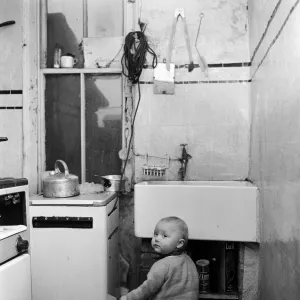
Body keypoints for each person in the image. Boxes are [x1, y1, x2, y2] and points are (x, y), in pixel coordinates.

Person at [120, 216, 199, 300]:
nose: (157, 238)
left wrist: (128, 298)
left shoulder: (162, 265)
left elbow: (147, 289)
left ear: (179, 244)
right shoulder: (189, 261)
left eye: (164, 236)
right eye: (156, 234)